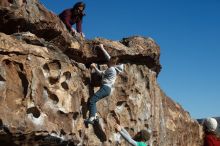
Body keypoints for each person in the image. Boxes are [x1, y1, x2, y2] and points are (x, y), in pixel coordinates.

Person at [84, 44, 124, 125]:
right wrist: (102, 48)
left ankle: (92, 118)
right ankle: (95, 117)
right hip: (107, 89)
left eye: (108, 62)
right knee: (94, 100)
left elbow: (100, 73)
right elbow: (108, 57)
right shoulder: (114, 68)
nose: (107, 62)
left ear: (112, 63)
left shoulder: (111, 70)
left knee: (92, 100)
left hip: (105, 88)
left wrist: (94, 67)